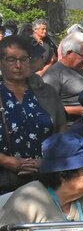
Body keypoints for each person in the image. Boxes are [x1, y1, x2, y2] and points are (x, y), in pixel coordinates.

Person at [0, 35, 65, 192]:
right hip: (4, 184)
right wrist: (6, 161)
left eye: (23, 59)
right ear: (1, 62)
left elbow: (62, 134)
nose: (18, 65)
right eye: (11, 60)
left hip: (44, 182)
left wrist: (46, 162)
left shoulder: (47, 93)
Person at [42, 32, 83, 123]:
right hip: (70, 126)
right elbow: (46, 107)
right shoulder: (53, 75)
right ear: (69, 53)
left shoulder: (79, 70)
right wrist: (78, 110)